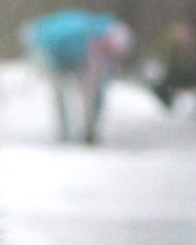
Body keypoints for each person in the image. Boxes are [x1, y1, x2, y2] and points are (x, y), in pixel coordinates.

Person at [22, 8, 134, 145]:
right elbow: (95, 83)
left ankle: (75, 131)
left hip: (66, 53)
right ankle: (69, 131)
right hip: (55, 53)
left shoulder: (95, 33)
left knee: (75, 91)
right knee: (63, 91)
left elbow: (96, 82)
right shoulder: (91, 38)